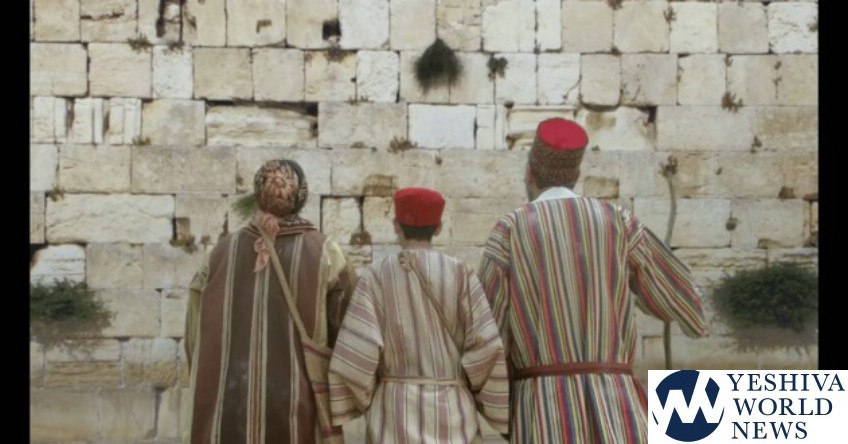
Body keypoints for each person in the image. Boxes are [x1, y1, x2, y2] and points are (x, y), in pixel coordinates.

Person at [477, 118, 709, 443]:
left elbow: (487, 333)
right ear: (576, 175)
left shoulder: (510, 230)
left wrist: (497, 409)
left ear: (529, 173)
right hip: (616, 408)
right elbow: (677, 295)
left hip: (543, 410)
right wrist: (694, 317)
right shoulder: (619, 222)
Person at [183, 159, 358, 444]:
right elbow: (348, 328)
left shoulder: (220, 253)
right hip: (297, 407)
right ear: (301, 197)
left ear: (257, 194)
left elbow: (194, 332)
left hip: (226, 407)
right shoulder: (325, 252)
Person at [328, 187, 510, 443]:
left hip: (393, 417)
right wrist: (490, 404)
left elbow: (356, 355)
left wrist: (359, 400)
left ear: (396, 226)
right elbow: (487, 348)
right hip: (454, 417)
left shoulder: (375, 277)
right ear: (439, 228)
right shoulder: (461, 274)